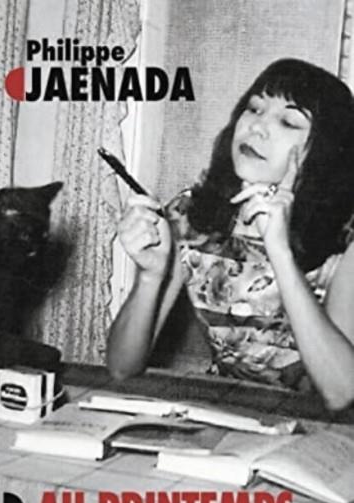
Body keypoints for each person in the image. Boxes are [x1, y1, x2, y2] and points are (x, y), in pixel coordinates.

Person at [107, 58, 354, 410]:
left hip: (319, 429)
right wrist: (150, 276)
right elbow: (121, 368)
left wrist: (279, 251)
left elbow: (342, 392)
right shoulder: (190, 215)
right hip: (229, 415)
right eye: (254, 108)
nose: (257, 127)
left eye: (288, 121)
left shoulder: (346, 239)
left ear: (324, 150)